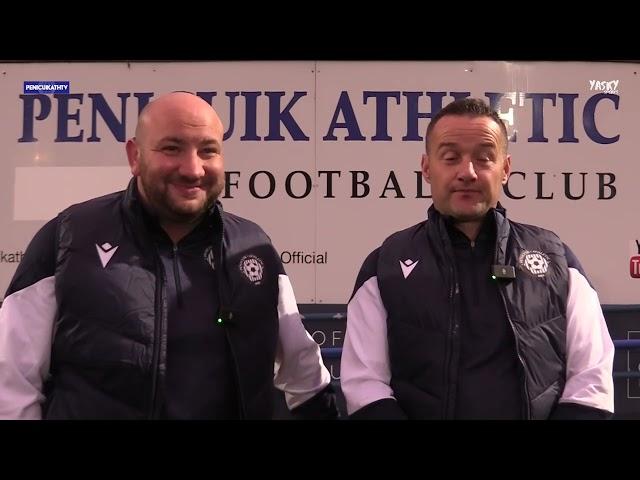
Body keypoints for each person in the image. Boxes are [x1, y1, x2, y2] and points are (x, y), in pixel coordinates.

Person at [0, 91, 337, 420]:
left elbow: (304, 374)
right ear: (135, 156)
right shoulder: (68, 238)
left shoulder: (254, 248)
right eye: (172, 148)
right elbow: (11, 385)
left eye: (208, 150)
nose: (192, 169)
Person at [340, 98, 615, 420]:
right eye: (451, 157)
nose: (467, 172)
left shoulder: (555, 260)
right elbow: (364, 386)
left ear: (505, 169)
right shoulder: (385, 264)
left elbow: (591, 381)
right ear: (427, 168)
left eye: (484, 158)